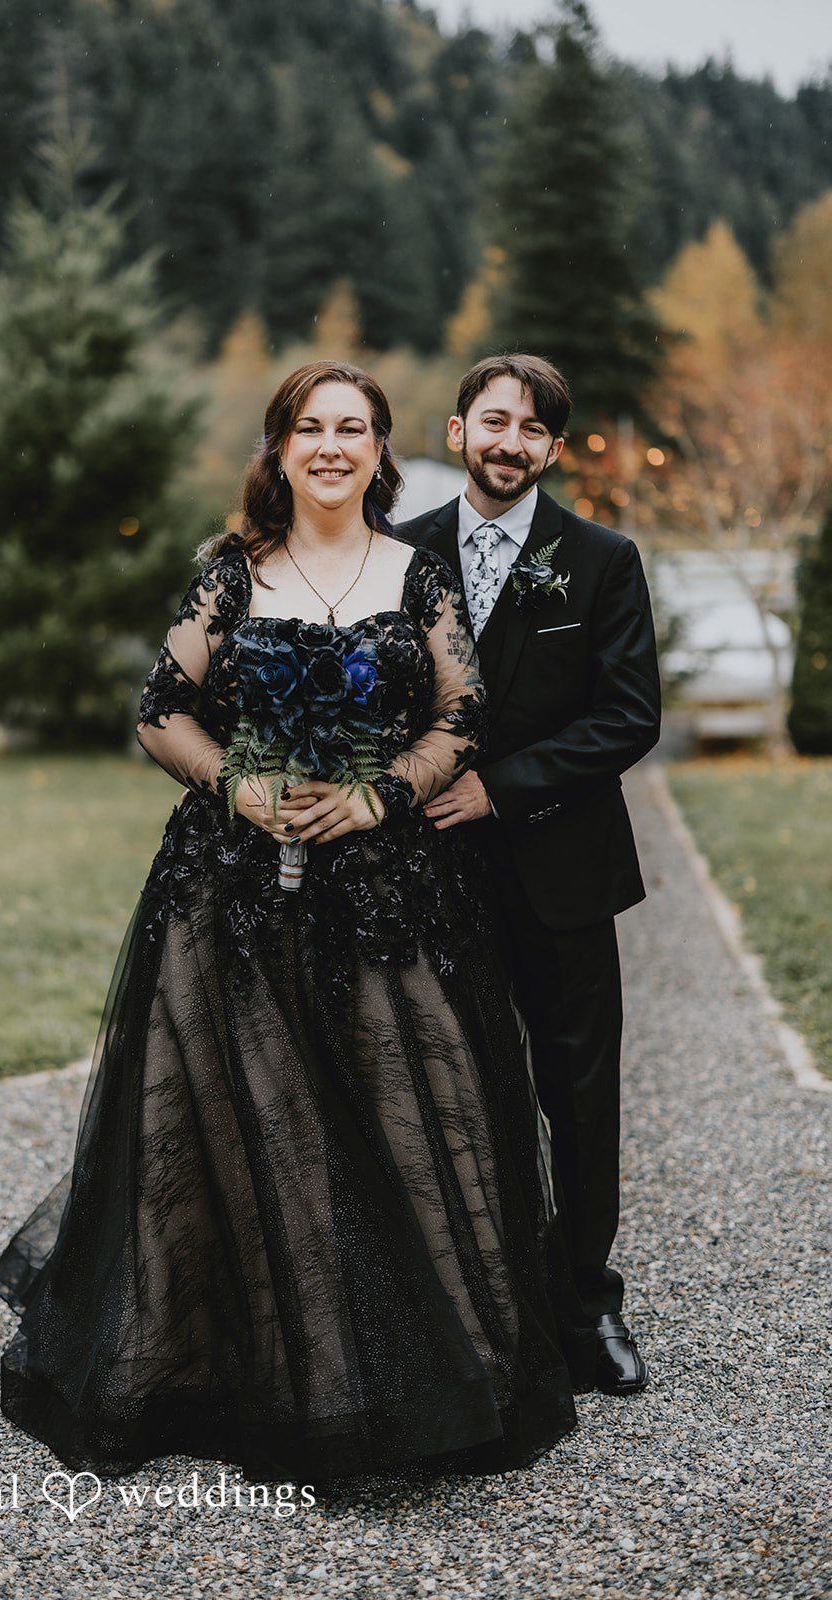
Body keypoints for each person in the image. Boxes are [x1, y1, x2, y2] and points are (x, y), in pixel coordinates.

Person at [0, 360, 593, 1491]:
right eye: (307, 427)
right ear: (279, 448)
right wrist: (237, 785)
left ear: (378, 450)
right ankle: (254, 1366)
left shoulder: (416, 576)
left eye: (349, 428)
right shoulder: (228, 575)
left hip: (384, 888)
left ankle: (407, 1368)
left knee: (402, 1114)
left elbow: (462, 715)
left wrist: (382, 790)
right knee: (238, 1115)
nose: (328, 445)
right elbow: (158, 713)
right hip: (230, 886)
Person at [394, 353, 661, 1395]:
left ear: (553, 448)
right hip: (427, 875)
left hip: (561, 869)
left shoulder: (598, 560)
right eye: (490, 419)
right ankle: (476, 1309)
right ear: (458, 429)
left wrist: (499, 787)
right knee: (446, 1093)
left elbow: (627, 714)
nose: (508, 441)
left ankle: (586, 1307)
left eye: (530, 429)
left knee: (576, 1095)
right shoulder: (398, 553)